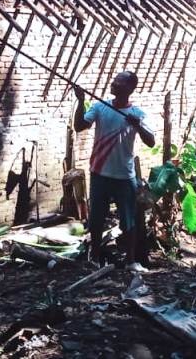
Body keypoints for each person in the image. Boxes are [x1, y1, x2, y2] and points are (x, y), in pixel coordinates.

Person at [73, 72, 155, 272]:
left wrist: (137, 125)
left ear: (129, 88)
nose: (113, 83)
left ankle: (131, 261)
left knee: (128, 220)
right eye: (114, 80)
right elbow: (79, 126)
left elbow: (151, 141)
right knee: (96, 219)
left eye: (118, 82)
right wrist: (81, 101)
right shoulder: (100, 107)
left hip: (124, 176)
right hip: (99, 172)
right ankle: (94, 257)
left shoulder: (137, 114)